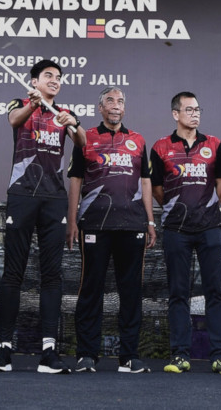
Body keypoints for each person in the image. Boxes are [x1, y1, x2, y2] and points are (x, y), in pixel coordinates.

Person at [0, 59, 86, 374]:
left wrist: (74, 123)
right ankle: (4, 349)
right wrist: (32, 104)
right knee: (13, 273)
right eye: (48, 76)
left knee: (52, 275)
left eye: (58, 77)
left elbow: (82, 144)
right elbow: (15, 120)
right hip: (21, 194)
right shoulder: (21, 103)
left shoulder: (64, 112)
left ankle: (49, 351)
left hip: (54, 199)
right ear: (34, 81)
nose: (55, 81)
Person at [67, 86, 156, 374]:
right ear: (100, 108)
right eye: (110, 101)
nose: (116, 105)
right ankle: (86, 355)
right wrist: (72, 220)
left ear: (124, 109)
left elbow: (146, 182)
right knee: (90, 290)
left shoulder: (138, 140)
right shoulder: (85, 138)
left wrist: (150, 220)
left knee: (130, 292)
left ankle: (129, 356)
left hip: (132, 225)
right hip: (94, 225)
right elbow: (76, 181)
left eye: (120, 101)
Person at [151, 91, 221, 374]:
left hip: (210, 227)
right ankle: (179, 355)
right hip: (176, 229)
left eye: (198, 109)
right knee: (178, 293)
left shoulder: (214, 144)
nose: (195, 114)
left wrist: (204, 208)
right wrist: (178, 208)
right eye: (189, 109)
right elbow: (157, 189)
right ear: (176, 114)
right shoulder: (161, 147)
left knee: (215, 292)